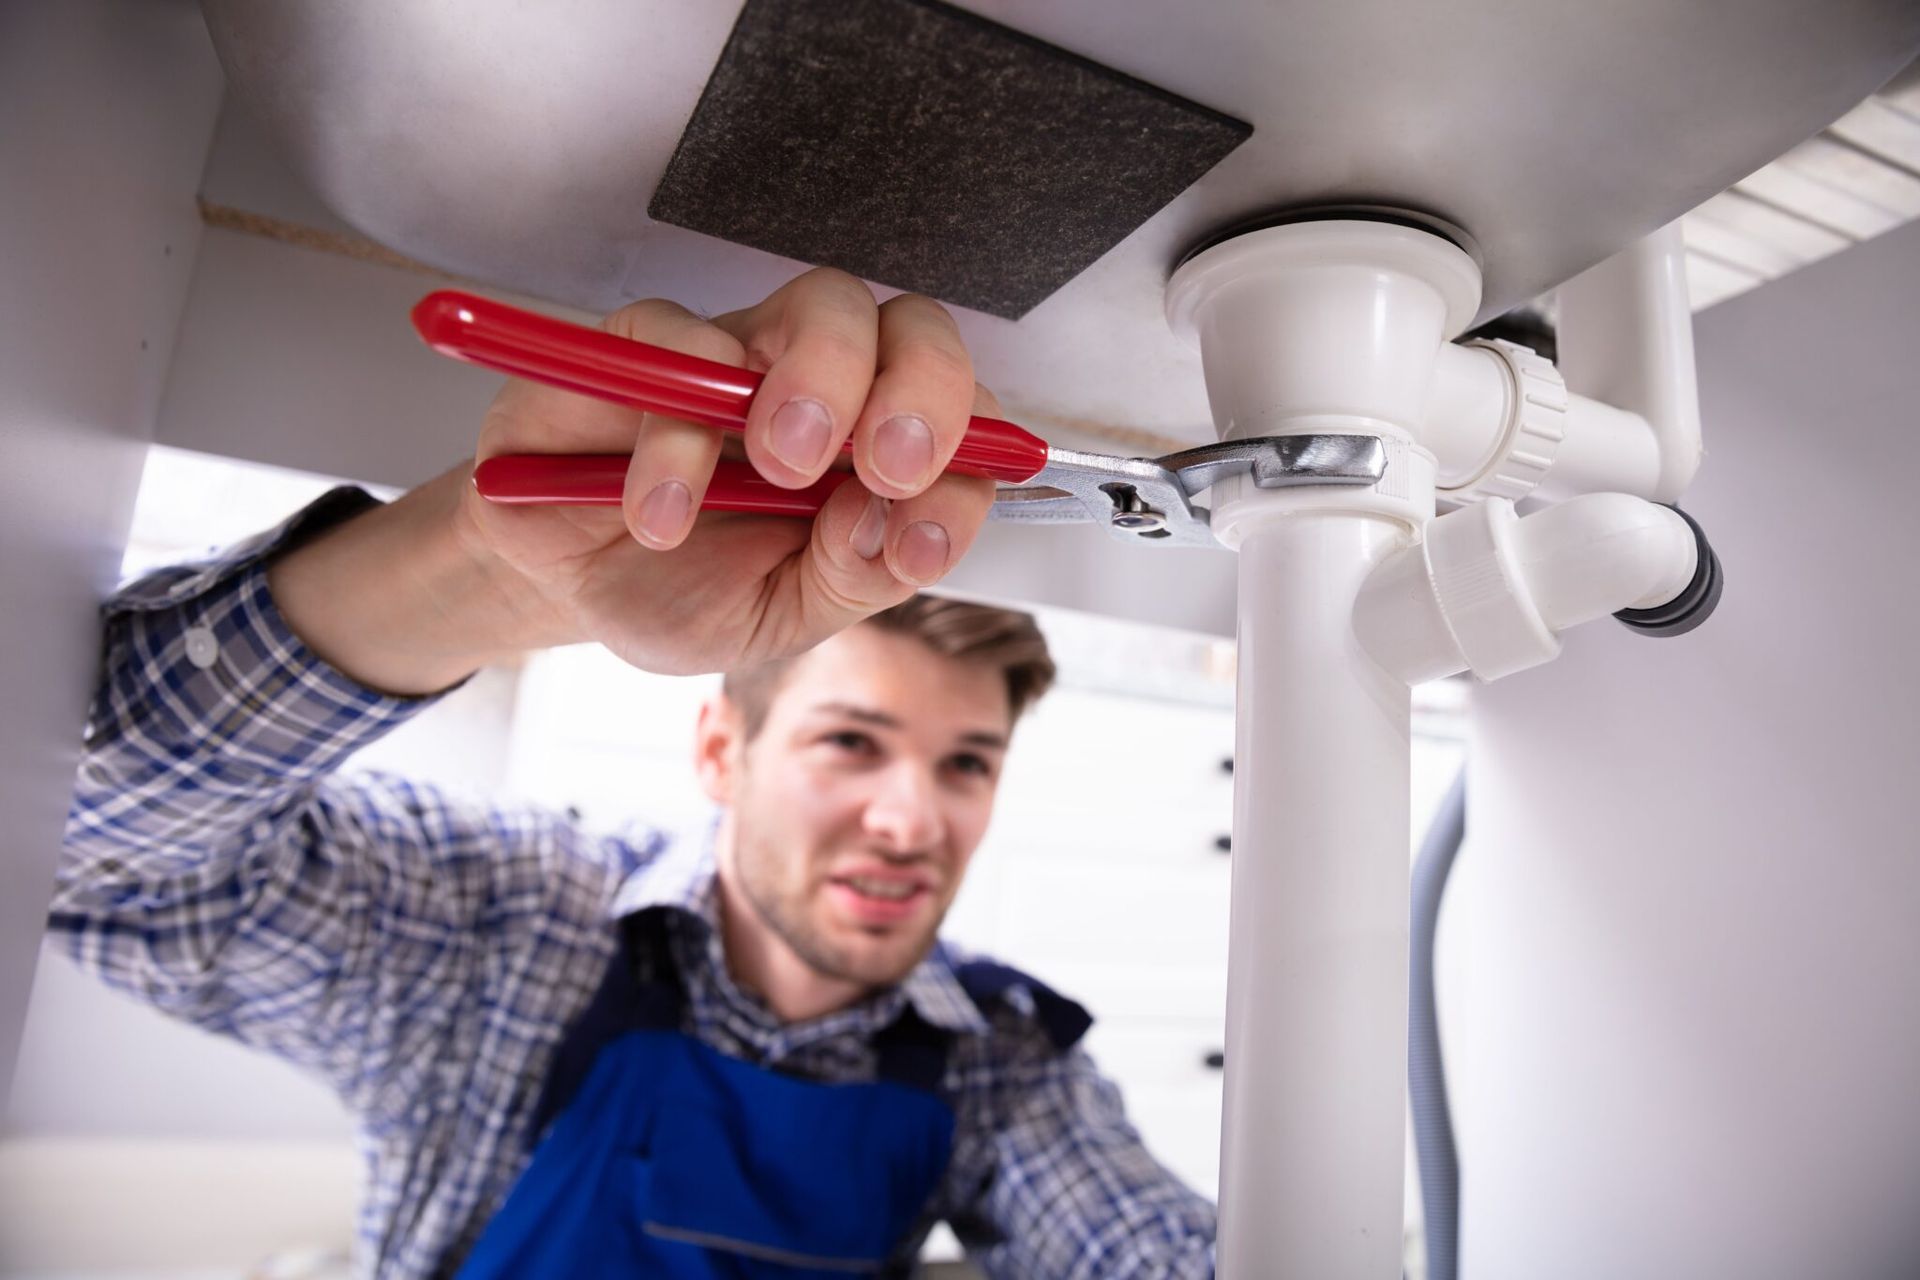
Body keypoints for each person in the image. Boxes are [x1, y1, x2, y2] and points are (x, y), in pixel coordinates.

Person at [51, 269, 1216, 1277]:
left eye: (967, 761)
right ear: (721, 749)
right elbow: (73, 849)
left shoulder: (1002, 1057)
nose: (914, 818)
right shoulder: (495, 922)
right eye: (849, 741)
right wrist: (490, 577)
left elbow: (1141, 1241)